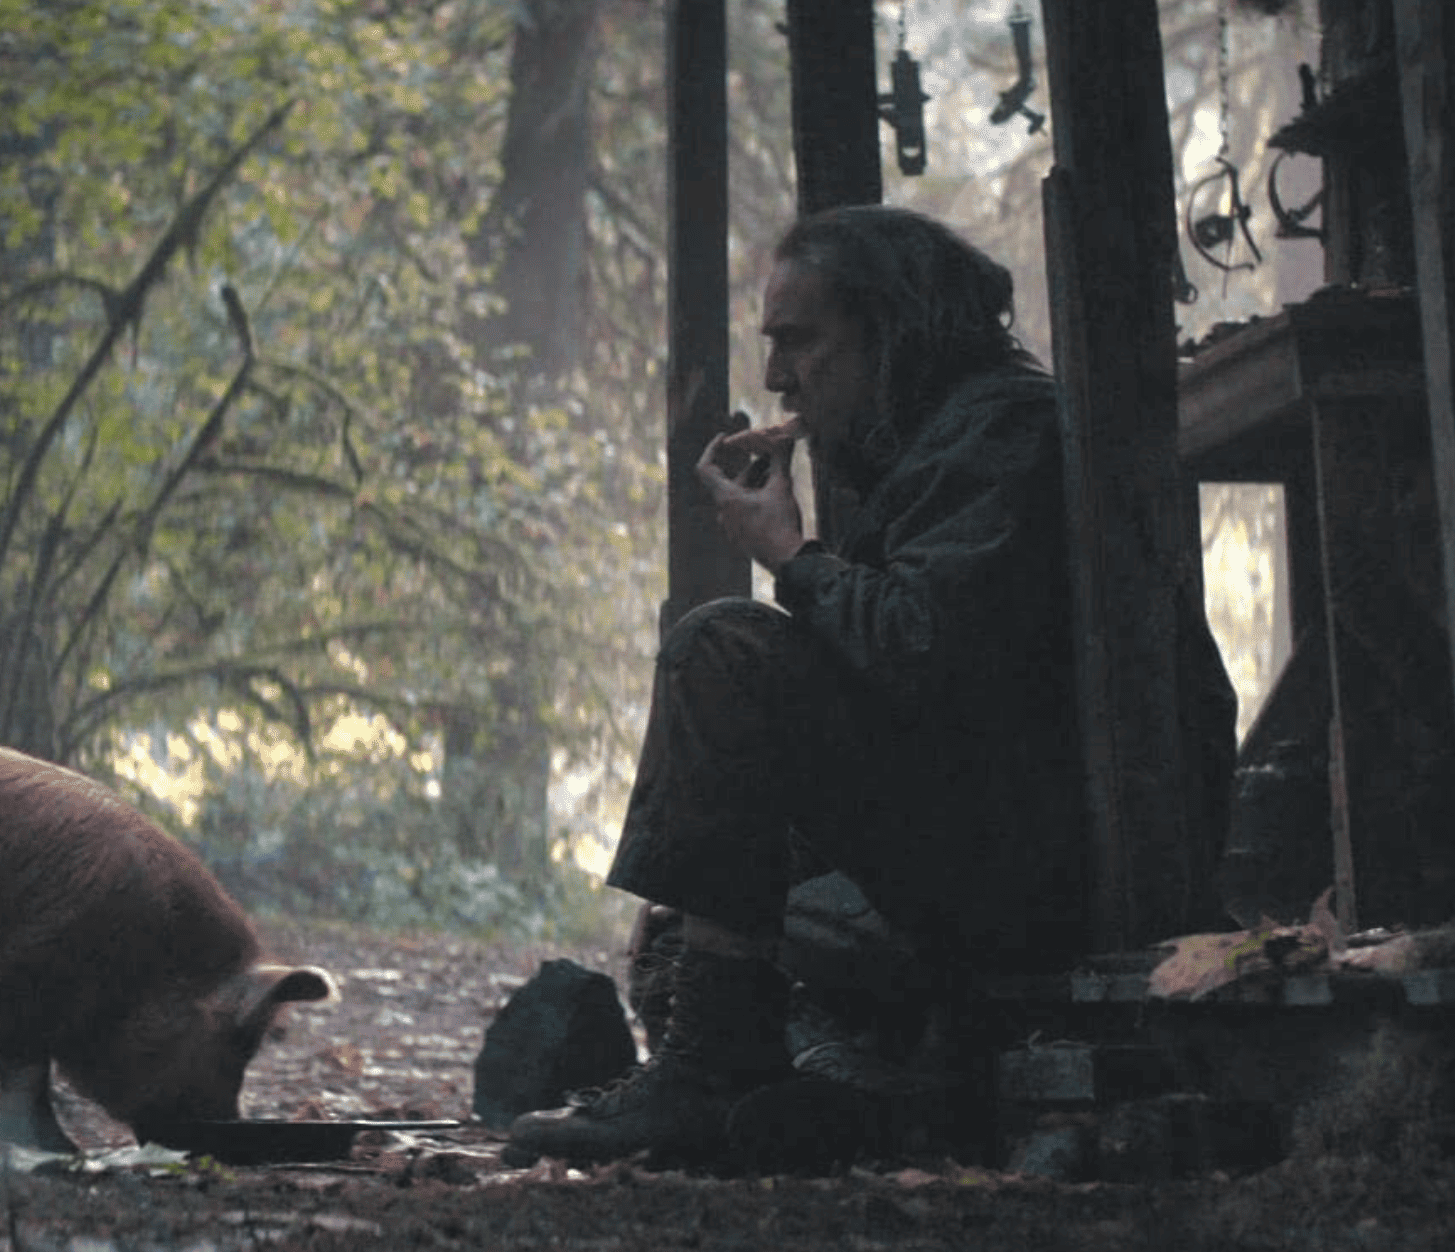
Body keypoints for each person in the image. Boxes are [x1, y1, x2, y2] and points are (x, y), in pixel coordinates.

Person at [505, 205, 1237, 1166]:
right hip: (988, 843)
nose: (776, 378)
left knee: (721, 648)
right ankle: (842, 1097)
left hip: (1053, 872)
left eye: (800, 341)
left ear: (891, 330)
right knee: (685, 929)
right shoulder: (938, 440)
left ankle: (718, 1079)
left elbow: (916, 652)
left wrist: (787, 552)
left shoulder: (1007, 432)